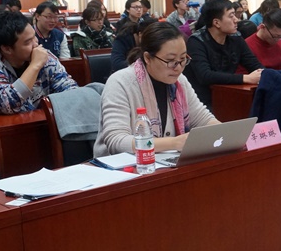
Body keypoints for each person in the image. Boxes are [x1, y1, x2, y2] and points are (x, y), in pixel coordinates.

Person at [94, 22, 220, 156]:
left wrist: (223, 132)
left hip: (163, 161)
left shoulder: (179, 81)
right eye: (170, 61)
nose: (178, 67)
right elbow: (117, 141)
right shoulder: (120, 82)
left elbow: (202, 119)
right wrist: (174, 143)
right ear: (148, 58)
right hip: (122, 165)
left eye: (183, 59)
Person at [0, 11, 77, 114]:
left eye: (34, 36)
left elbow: (70, 89)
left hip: (40, 119)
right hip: (2, 122)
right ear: (7, 49)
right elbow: (5, 105)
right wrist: (35, 66)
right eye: (28, 42)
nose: (36, 44)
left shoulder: (41, 54)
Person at [184, 0, 262, 109]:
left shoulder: (236, 38)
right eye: (231, 16)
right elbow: (205, 76)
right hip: (201, 102)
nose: (236, 20)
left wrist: (262, 73)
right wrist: (246, 78)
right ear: (216, 22)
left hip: (227, 94)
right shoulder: (196, 42)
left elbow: (253, 64)